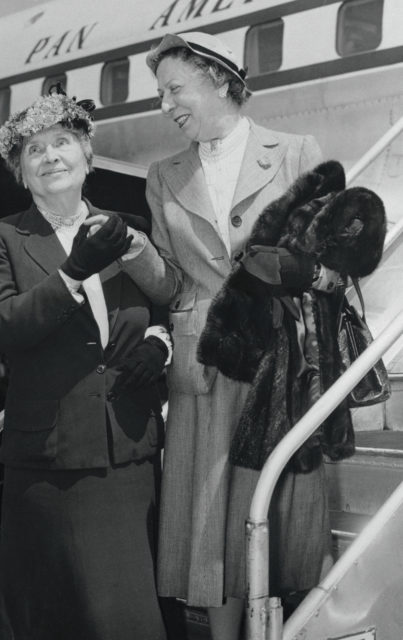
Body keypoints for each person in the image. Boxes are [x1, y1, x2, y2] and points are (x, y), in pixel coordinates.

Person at [99, 31, 333, 639]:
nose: (165, 104)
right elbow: (171, 281)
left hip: (281, 360)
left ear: (220, 81)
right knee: (214, 531)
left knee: (286, 518)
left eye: (175, 88)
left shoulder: (295, 151)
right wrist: (133, 250)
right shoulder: (163, 175)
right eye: (161, 93)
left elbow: (335, 261)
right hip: (205, 362)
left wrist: (296, 271)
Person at [0, 87, 173, 640]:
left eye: (62, 143)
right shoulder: (3, 239)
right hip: (50, 461)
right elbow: (1, 326)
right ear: (22, 173)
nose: (50, 156)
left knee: (127, 616)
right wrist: (71, 274)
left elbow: (160, 309)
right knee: (51, 615)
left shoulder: (124, 231)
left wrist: (160, 345)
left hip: (127, 453)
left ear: (87, 157)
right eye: (34, 151)